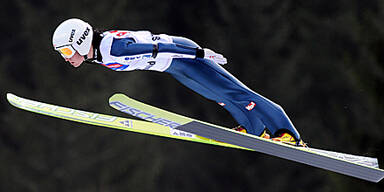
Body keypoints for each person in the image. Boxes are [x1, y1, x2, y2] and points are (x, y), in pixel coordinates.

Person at [52, 18, 306, 147]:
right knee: (219, 96)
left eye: (66, 52)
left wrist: (200, 53)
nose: (66, 59)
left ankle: (287, 134)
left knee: (237, 93)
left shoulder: (114, 50)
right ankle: (253, 129)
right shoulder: (97, 52)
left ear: (80, 42)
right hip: (173, 66)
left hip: (181, 55)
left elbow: (159, 47)